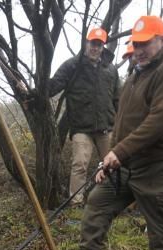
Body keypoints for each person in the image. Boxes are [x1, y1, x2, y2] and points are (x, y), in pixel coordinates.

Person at [70, 16, 163, 250]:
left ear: (162, 40)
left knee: (161, 226)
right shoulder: (138, 72)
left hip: (161, 162)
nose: (140, 49)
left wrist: (118, 152)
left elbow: (159, 119)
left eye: (146, 43)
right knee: (97, 201)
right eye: (136, 44)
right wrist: (109, 158)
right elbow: (122, 122)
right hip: (128, 162)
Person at [48, 27, 120, 206]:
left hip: (107, 126)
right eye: (92, 43)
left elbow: (118, 98)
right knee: (79, 164)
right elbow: (53, 86)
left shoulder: (111, 70)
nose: (95, 47)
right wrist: (35, 92)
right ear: (86, 43)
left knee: (113, 165)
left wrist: (121, 121)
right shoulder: (73, 65)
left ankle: (114, 200)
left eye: (99, 44)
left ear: (103, 46)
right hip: (81, 127)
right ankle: (76, 203)